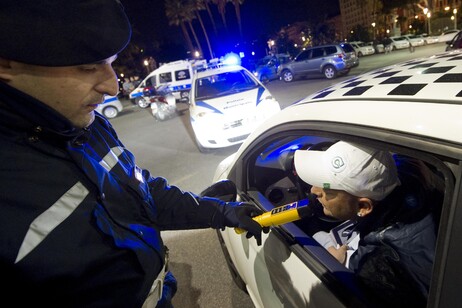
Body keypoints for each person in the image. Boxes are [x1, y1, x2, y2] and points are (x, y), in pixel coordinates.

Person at [0, 1, 265, 307]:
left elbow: (142, 195)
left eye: (111, 63)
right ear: (7, 62)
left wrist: (218, 212)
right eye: (87, 66)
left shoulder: (90, 126)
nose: (112, 86)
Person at [294, 141, 441, 307]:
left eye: (328, 191)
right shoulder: (406, 172)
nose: (314, 191)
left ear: (363, 207)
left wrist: (336, 263)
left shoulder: (372, 266)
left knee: (318, 236)